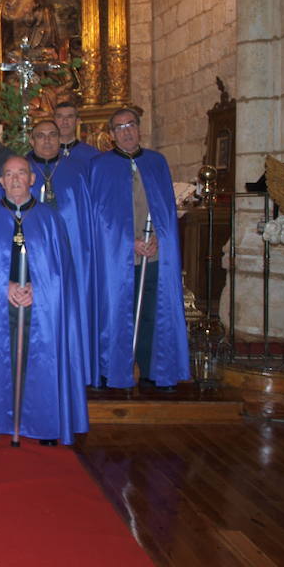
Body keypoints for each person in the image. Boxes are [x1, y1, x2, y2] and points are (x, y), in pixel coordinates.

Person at [0, 156, 88, 445]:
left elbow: (62, 269)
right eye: (9, 174)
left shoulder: (50, 218)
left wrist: (38, 287)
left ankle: (43, 422)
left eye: (21, 173)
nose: (15, 179)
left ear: (32, 179)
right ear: (1, 181)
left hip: (40, 302)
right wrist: (1, 285)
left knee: (41, 356)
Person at [90, 109, 190, 390]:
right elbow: (99, 216)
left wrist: (159, 237)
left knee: (152, 311)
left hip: (155, 252)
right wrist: (128, 242)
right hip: (117, 254)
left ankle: (154, 370)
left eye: (131, 125)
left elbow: (166, 208)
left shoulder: (156, 162)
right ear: (111, 135)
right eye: (120, 127)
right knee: (117, 310)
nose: (127, 131)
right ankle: (112, 370)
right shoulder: (101, 166)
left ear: (139, 128)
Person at [24, 120, 96, 384]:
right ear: (31, 140)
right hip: (32, 256)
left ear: (61, 138)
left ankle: (73, 368)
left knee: (71, 308)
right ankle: (34, 370)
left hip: (72, 253)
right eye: (40, 135)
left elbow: (86, 217)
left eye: (52, 135)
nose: (47, 140)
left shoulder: (76, 171)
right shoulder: (20, 170)